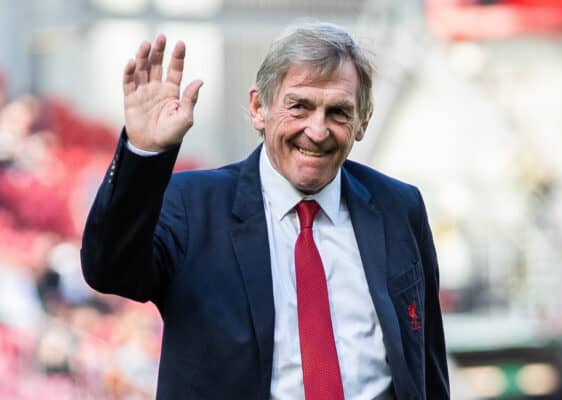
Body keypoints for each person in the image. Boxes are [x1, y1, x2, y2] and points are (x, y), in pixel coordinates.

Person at [81, 21, 450, 400]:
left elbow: (429, 365)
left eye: (338, 112)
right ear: (259, 108)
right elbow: (110, 271)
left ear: (362, 122)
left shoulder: (399, 207)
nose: (317, 131)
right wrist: (143, 154)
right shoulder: (193, 206)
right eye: (299, 107)